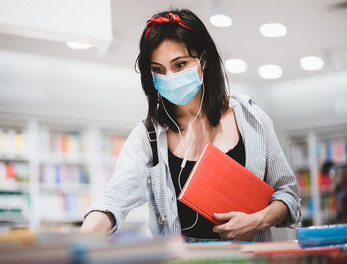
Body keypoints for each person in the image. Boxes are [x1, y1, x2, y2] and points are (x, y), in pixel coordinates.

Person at [80, 9, 301, 242]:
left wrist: (259, 220)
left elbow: (288, 193)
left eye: (180, 64)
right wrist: (78, 243)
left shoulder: (251, 118)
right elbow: (114, 198)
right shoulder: (148, 136)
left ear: (203, 61)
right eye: (158, 69)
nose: (169, 76)